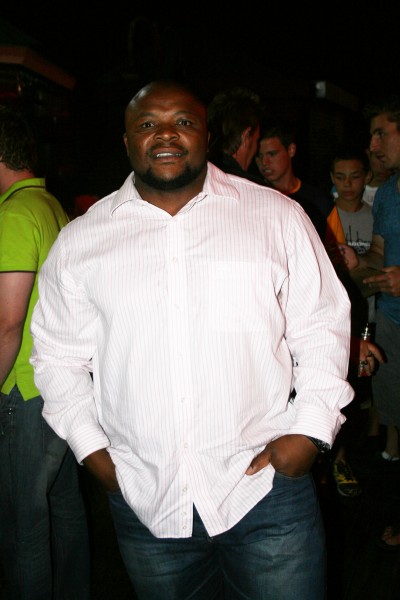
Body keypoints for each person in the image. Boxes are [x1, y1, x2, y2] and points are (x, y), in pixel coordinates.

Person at [30, 79, 356, 600]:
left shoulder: (274, 215)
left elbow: (321, 325)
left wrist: (311, 430)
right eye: (148, 123)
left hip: (265, 490)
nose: (166, 134)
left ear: (206, 136)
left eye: (183, 122)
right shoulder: (82, 240)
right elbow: (55, 357)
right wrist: (93, 451)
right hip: (146, 498)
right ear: (127, 141)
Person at [0, 106, 91, 599]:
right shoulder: (50, 205)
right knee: (64, 506)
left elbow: (7, 323)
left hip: (24, 389)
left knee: (24, 525)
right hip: (61, 386)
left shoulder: (14, 214)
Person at [339, 91, 400, 549]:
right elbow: (380, 253)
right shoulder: (388, 195)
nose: (373, 145)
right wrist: (356, 264)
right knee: (393, 413)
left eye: (381, 133)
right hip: (393, 323)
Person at [329, 146, 375, 497]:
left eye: (355, 176)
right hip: (335, 320)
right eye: (340, 177)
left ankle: (350, 453)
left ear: (366, 178)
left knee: (362, 388)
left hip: (369, 313)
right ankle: (333, 458)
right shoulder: (323, 213)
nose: (348, 184)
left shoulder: (375, 216)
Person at [254, 119, 337, 242]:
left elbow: (337, 249)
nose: (264, 162)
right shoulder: (254, 199)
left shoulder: (320, 202)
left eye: (272, 154)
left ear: (291, 150)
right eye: (259, 156)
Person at [206, 86, 267, 184]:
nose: (256, 149)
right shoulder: (255, 189)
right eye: (257, 140)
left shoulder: (194, 181)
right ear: (246, 136)